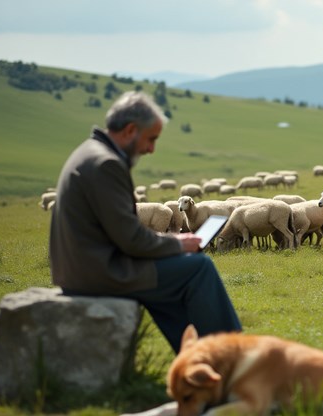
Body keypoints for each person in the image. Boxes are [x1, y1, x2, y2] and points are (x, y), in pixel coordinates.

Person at [49, 91, 241, 353]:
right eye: (151, 139)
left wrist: (174, 241)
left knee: (176, 282)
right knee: (199, 268)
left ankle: (199, 360)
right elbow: (131, 239)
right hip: (99, 272)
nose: (151, 149)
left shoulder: (89, 152)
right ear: (130, 130)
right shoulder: (107, 164)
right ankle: (232, 357)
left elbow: (122, 231)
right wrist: (178, 244)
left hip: (83, 267)